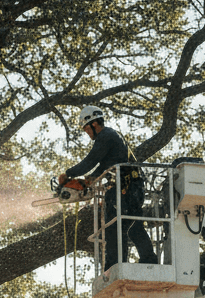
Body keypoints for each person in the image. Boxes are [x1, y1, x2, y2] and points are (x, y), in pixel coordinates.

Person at [57, 105, 156, 269]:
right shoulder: (111, 138)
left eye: (86, 129)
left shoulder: (106, 136)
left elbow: (90, 161)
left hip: (128, 187)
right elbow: (103, 166)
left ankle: (115, 264)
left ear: (94, 124)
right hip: (130, 186)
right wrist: (88, 181)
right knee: (129, 226)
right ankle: (144, 260)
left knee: (115, 226)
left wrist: (69, 174)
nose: (87, 133)